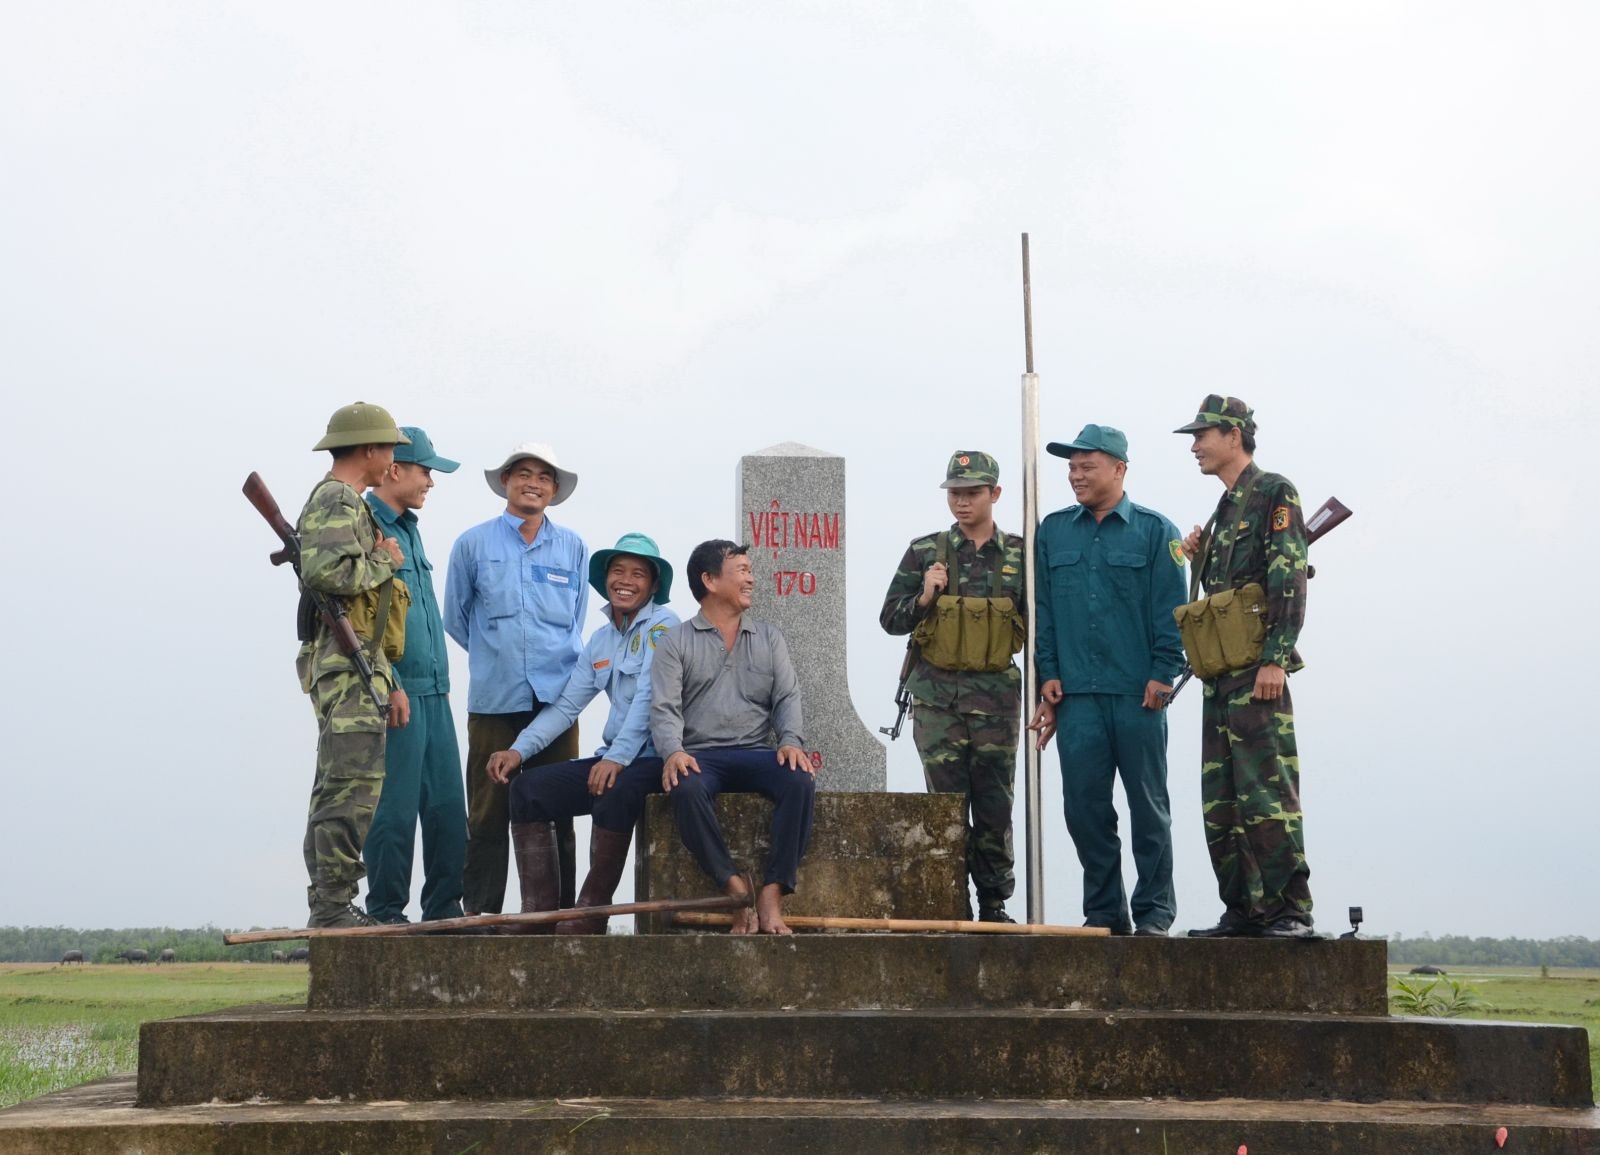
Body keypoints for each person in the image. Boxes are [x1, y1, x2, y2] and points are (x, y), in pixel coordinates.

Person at [1026, 424, 1187, 936]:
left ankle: (1154, 915)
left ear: (1119, 469)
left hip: (1138, 695)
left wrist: (1164, 673)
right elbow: (1043, 611)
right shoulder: (1052, 532)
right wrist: (1046, 676)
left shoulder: (1157, 531)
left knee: (1148, 809)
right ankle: (1104, 914)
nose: (1075, 475)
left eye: (1086, 466)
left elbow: (1173, 611)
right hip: (1077, 699)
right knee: (1085, 812)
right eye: (1071, 467)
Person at [485, 534, 680, 934]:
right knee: (527, 790)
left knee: (613, 788)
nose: (625, 580)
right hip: (616, 757)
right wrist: (517, 751)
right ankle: (538, 915)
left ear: (654, 585)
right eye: (617, 571)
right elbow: (566, 705)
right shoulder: (601, 640)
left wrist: (616, 758)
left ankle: (589, 914)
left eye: (638, 574)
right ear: (605, 579)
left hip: (656, 758)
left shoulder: (665, 627)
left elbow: (648, 699)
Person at [1174, 394, 1315, 939]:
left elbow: (1288, 578)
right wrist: (1200, 553)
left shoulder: (1274, 492)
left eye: (1202, 435)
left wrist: (1275, 659)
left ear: (1234, 435)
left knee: (1267, 794)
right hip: (1221, 675)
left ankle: (1288, 909)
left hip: (1258, 671)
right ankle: (1244, 908)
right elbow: (1224, 595)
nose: (1195, 447)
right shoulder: (1224, 509)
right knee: (1223, 800)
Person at [879, 451, 1024, 923]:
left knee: (994, 803)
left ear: (994, 494)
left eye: (972, 493)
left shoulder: (1020, 554)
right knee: (944, 806)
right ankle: (949, 899)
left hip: (996, 700)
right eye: (955, 493)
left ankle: (994, 902)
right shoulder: (926, 551)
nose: (961, 502)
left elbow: (1045, 625)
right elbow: (891, 620)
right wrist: (924, 594)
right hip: (937, 698)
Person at [444, 443, 589, 916]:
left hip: (556, 702)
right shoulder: (472, 544)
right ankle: (481, 913)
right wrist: (497, 656)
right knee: (487, 809)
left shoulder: (573, 547)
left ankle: (560, 915)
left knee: (558, 809)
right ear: (505, 482)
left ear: (554, 489)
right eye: (523, 473)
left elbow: (575, 622)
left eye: (544, 477)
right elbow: (456, 619)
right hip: (493, 700)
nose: (533, 483)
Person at [650, 540, 814, 935]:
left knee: (800, 780)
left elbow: (787, 696)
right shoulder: (675, 642)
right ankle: (735, 889)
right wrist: (673, 751)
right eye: (740, 570)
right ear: (709, 580)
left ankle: (772, 894)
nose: (751, 578)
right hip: (702, 755)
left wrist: (791, 740)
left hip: (757, 751)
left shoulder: (770, 638)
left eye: (749, 569)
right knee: (684, 789)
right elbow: (664, 709)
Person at [296, 402, 410, 928]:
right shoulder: (337, 497)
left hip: (353, 665)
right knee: (350, 788)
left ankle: (333, 902)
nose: (393, 459)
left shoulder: (348, 502)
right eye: (389, 448)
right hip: (344, 669)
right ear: (369, 449)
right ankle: (333, 906)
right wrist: (386, 557)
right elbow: (326, 572)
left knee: (345, 785)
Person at [361, 426, 469, 925]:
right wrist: (391, 684)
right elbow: (360, 622)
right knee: (395, 811)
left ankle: (445, 910)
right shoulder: (364, 525)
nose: (432, 481)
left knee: (448, 807)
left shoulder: (408, 527)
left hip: (436, 693)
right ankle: (385, 913)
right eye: (426, 470)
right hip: (395, 693)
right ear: (395, 469)